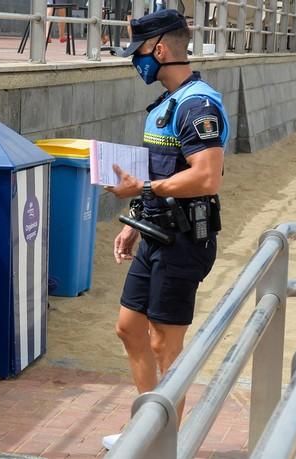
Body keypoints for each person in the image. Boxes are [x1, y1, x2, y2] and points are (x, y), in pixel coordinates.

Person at [102, 9, 229, 449]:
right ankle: (149, 424)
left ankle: (167, 441)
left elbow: (207, 176)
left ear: (159, 49)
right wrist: (136, 218)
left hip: (184, 240)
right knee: (128, 327)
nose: (134, 61)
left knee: (164, 343)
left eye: (137, 51)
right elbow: (158, 171)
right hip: (155, 231)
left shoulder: (197, 104)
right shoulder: (165, 105)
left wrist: (147, 187)